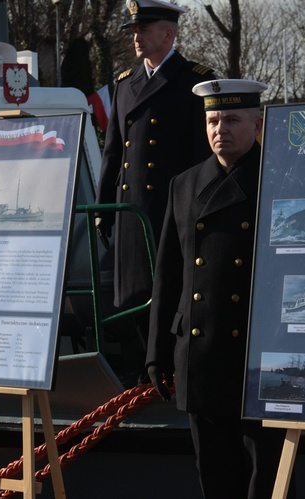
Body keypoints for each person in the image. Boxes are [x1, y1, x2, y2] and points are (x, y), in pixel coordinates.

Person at [146, 79, 283, 498]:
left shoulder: (280, 178)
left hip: (258, 355)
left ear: (257, 124)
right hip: (201, 353)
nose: (220, 128)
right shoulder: (184, 184)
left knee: (268, 475)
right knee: (216, 472)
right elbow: (169, 273)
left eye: (232, 119)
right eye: (213, 119)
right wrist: (157, 352)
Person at [95, 0, 216, 381]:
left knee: (167, 295)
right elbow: (113, 150)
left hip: (169, 209)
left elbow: (202, 152)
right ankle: (140, 378)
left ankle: (165, 372)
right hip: (132, 210)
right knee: (131, 299)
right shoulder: (124, 83)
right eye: (134, 31)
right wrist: (103, 207)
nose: (136, 37)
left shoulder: (193, 80)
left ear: (168, 32)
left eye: (144, 30)